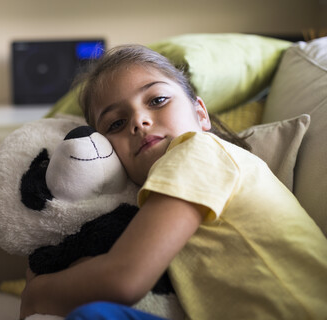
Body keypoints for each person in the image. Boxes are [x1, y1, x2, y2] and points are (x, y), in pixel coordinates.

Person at [20, 44, 327, 319]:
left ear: (200, 113)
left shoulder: (196, 150)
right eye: (116, 123)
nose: (139, 121)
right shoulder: (149, 198)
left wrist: (37, 294)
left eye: (158, 100)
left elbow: (123, 279)